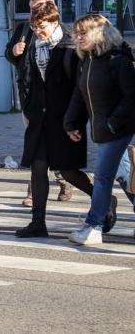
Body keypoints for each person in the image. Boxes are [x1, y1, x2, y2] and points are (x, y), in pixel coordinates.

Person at [6, 2, 102, 238]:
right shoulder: (33, 45)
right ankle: (38, 222)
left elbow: (79, 88)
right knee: (38, 169)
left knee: (68, 171)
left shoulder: (69, 46)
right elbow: (25, 74)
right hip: (40, 116)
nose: (38, 31)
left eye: (42, 26)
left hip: (65, 118)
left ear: (55, 22)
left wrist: (76, 121)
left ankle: (103, 200)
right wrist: (28, 106)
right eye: (34, 26)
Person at [65, 14, 135, 245]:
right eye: (77, 33)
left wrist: (113, 123)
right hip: (103, 130)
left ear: (100, 33)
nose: (78, 37)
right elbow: (80, 95)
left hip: (121, 129)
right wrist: (72, 122)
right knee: (125, 177)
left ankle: (94, 226)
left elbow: (131, 97)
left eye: (84, 32)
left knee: (102, 177)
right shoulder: (88, 60)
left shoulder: (118, 60)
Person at [4, 0, 74, 206]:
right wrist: (14, 52)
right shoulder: (24, 30)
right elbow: (9, 54)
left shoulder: (65, 35)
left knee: (54, 147)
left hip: (57, 104)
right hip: (32, 100)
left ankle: (67, 179)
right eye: (32, 9)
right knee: (35, 146)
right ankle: (35, 193)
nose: (35, 15)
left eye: (40, 9)